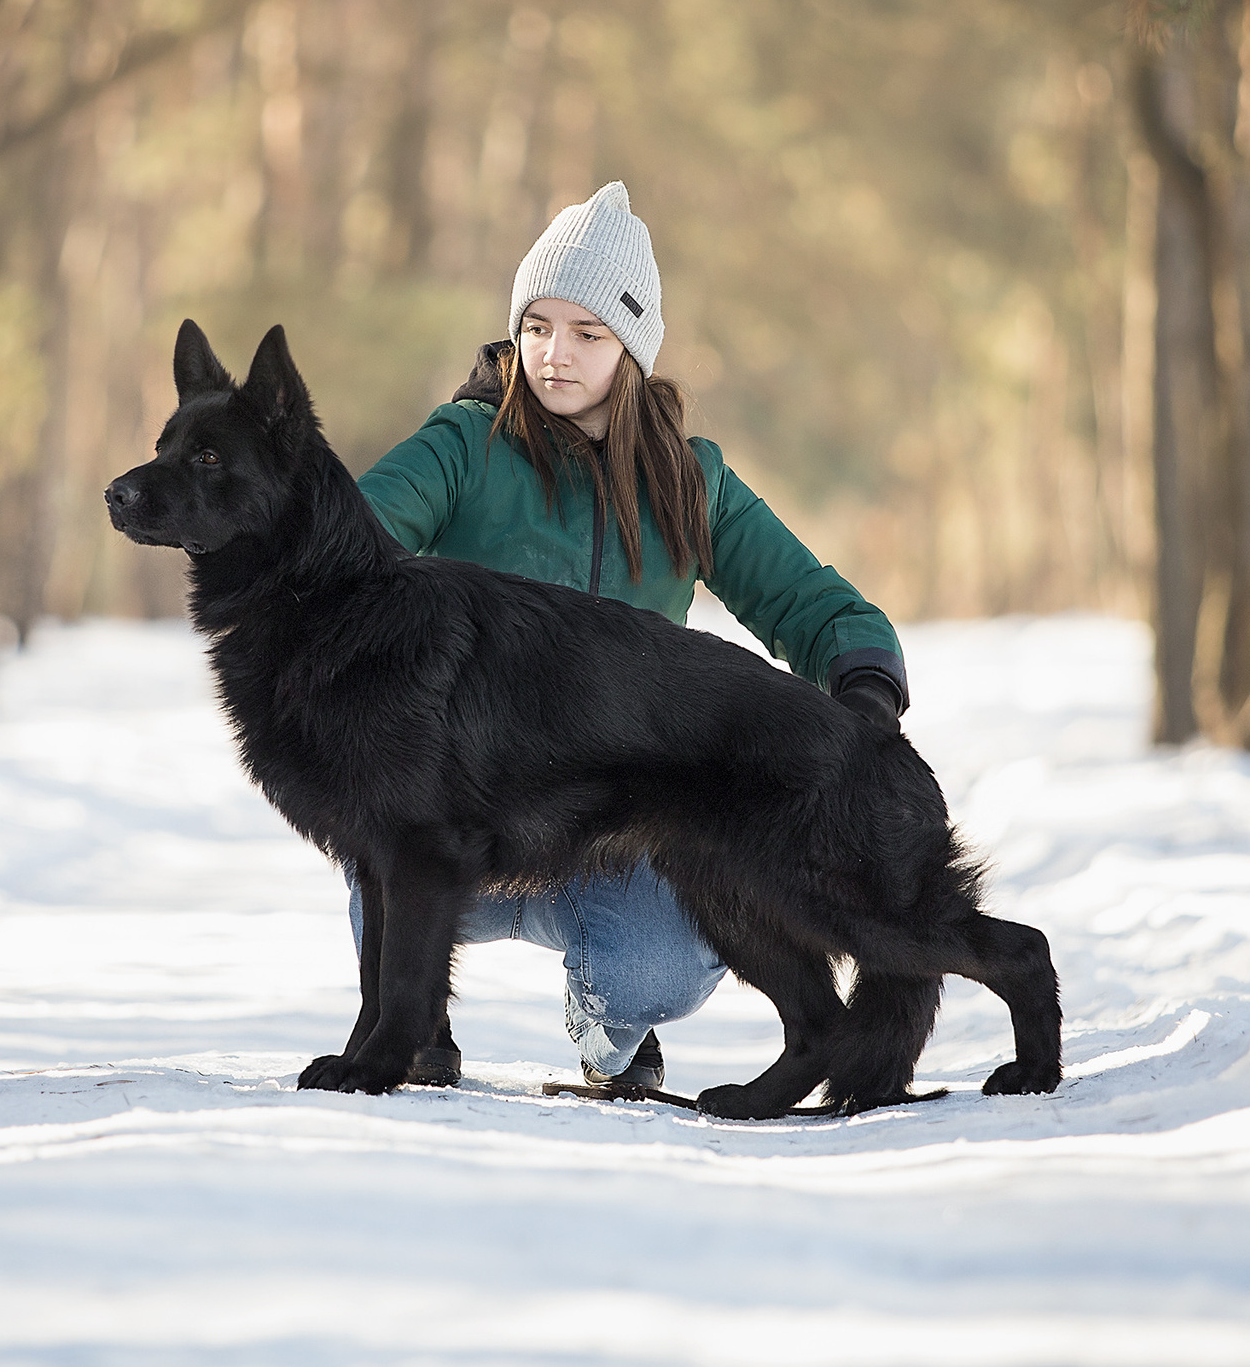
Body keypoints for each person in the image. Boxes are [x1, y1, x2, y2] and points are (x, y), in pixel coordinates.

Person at [352, 180, 910, 1091]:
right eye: (536, 327)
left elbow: (818, 606)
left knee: (666, 961)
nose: (553, 354)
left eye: (587, 333)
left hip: (623, 826)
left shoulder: (689, 480)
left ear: (633, 348)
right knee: (377, 857)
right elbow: (359, 539)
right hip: (474, 820)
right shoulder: (464, 444)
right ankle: (415, 1024)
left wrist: (865, 695)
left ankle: (608, 1025)